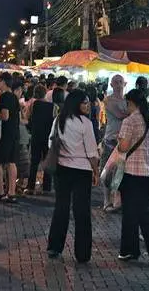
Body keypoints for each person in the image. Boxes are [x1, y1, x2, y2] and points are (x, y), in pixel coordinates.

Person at [117, 89, 149, 263]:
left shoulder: (129, 121)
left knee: (132, 212)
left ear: (131, 103)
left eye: (128, 104)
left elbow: (123, 147)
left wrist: (119, 141)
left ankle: (132, 250)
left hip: (132, 173)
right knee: (144, 210)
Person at [46, 90, 99, 262]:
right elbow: (92, 152)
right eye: (84, 102)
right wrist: (96, 171)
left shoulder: (59, 120)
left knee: (61, 207)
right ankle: (82, 253)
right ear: (76, 103)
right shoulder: (86, 123)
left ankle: (55, 246)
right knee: (82, 211)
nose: (87, 105)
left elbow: (51, 142)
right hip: (82, 170)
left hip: (62, 168)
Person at [0, 72, 20, 203]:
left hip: (4, 134)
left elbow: (5, 116)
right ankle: (11, 193)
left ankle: (0, 192)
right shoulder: (13, 96)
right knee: (11, 162)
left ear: (3, 82)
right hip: (13, 132)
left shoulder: (5, 97)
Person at [101, 75, 128, 212]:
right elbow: (120, 115)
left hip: (125, 141)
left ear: (125, 84)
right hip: (111, 139)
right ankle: (107, 201)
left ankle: (118, 201)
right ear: (111, 85)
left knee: (122, 172)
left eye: (120, 82)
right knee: (108, 172)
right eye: (115, 82)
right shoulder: (109, 100)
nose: (118, 85)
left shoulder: (127, 101)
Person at [26, 84, 55, 194]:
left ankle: (30, 186)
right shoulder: (52, 106)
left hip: (36, 135)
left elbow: (28, 118)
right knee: (47, 161)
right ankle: (46, 187)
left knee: (34, 161)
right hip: (47, 137)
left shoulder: (33, 104)